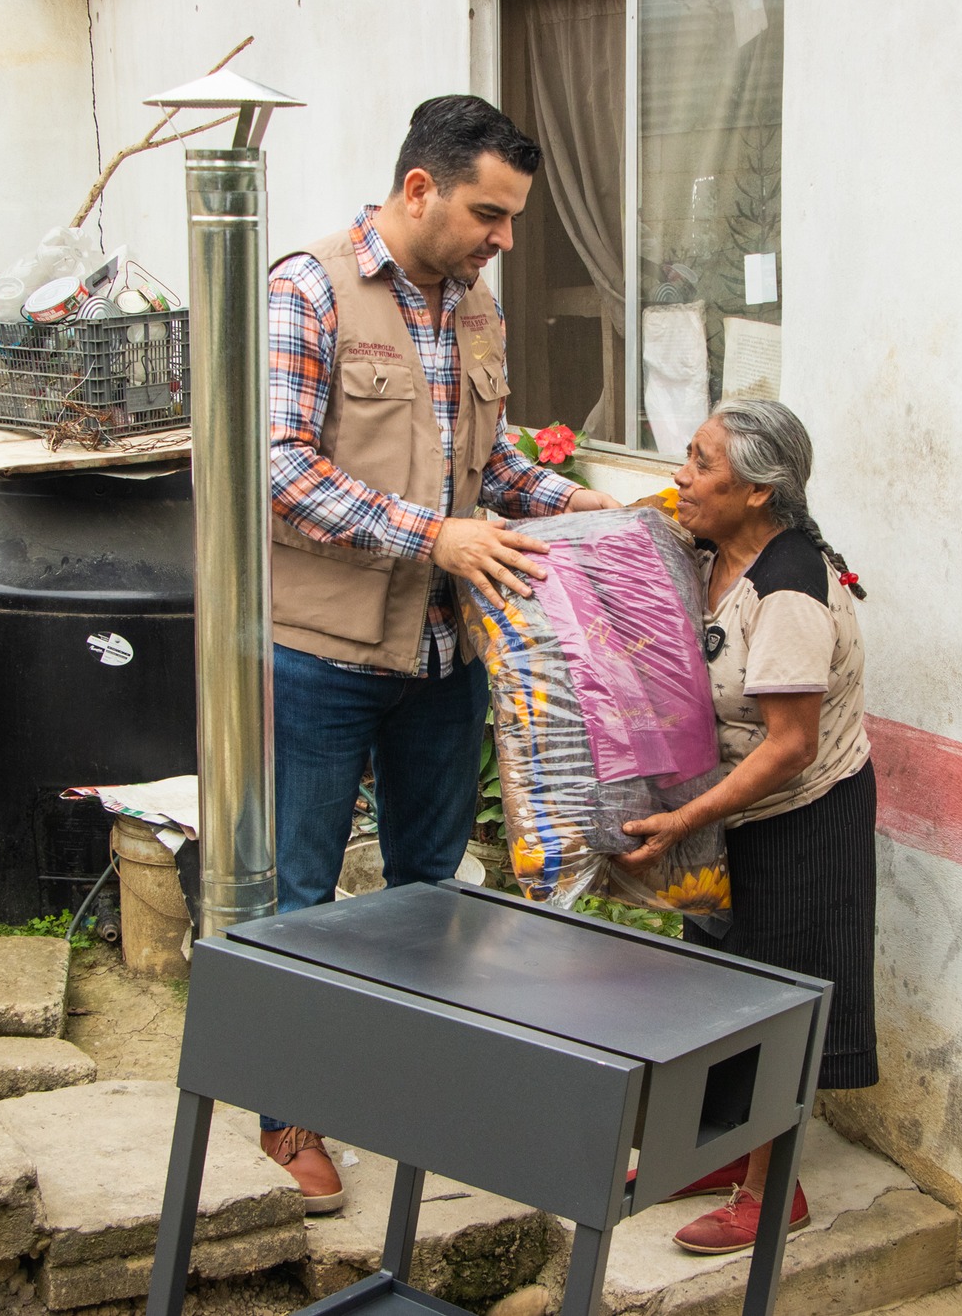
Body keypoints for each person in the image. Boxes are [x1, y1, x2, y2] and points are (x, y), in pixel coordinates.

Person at [262, 95, 618, 1209]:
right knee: (302, 894)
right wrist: (436, 536)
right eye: (488, 215)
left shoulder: (476, 306)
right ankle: (289, 1112)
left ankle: (413, 1092)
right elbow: (280, 469)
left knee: (431, 891)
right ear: (419, 189)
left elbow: (490, 462)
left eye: (510, 219)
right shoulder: (309, 290)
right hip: (320, 653)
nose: (502, 239)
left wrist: (580, 505)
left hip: (440, 659)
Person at [619, 398, 876, 1256]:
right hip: (726, 808)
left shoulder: (789, 589)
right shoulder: (707, 549)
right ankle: (718, 1148)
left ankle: (772, 1192)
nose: (681, 476)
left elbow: (791, 746)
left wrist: (684, 817)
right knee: (713, 986)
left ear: (760, 491)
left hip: (798, 815)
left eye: (702, 463)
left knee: (776, 1000)